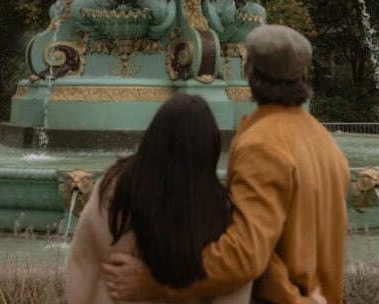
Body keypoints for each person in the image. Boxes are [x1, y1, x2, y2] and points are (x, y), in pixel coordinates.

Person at [103, 25, 350, 304]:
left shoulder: (262, 145)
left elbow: (243, 255)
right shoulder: (325, 141)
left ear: (249, 72)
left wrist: (156, 283)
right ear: (302, 76)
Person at [66, 94, 252, 304]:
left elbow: (81, 268)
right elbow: (234, 284)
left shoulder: (112, 191)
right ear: (210, 149)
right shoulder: (218, 212)